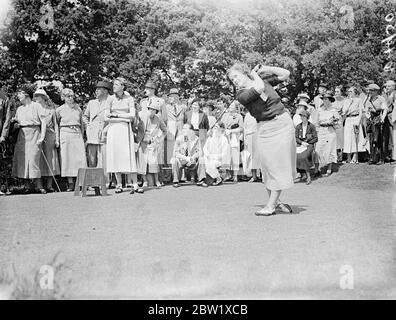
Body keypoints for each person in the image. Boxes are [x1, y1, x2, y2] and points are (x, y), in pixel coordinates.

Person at [228, 63, 296, 216]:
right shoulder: (241, 95)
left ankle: (270, 206)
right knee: (266, 167)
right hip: (264, 128)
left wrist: (265, 68)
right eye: (232, 80)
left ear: (244, 73)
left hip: (282, 124)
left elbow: (285, 73)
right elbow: (258, 89)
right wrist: (255, 73)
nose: (235, 81)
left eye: (236, 76)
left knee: (277, 164)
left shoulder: (263, 79)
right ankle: (277, 202)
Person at [104, 77, 139, 194]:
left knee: (128, 155)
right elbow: (105, 117)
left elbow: (132, 115)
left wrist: (117, 116)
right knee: (115, 155)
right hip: (113, 129)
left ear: (122, 86)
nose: (114, 86)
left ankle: (134, 184)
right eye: (113, 84)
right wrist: (122, 116)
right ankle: (118, 184)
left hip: (125, 129)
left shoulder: (129, 98)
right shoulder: (110, 99)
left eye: (117, 84)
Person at [11, 85, 47, 193]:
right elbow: (16, 122)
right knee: (22, 160)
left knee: (33, 159)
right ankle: (27, 187)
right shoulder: (19, 109)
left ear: (26, 95)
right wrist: (15, 124)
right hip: (22, 135)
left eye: (20, 94)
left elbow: (43, 122)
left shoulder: (36, 106)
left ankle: (39, 186)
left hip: (34, 133)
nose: (18, 96)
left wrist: (42, 136)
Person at [56, 88, 87, 191]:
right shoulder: (59, 110)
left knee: (80, 158)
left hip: (77, 133)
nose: (71, 98)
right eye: (68, 96)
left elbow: (82, 124)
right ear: (63, 97)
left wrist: (81, 135)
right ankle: (70, 183)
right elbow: (56, 124)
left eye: (72, 96)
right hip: (65, 133)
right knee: (67, 158)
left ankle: (81, 182)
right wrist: (57, 139)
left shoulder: (78, 109)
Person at [140, 80, 167, 183]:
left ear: (153, 90)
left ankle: (159, 180)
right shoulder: (143, 102)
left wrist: (160, 134)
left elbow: (164, 117)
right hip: (145, 133)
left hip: (157, 130)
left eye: (147, 88)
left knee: (158, 158)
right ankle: (146, 180)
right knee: (145, 158)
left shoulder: (161, 101)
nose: (145, 90)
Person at [33, 88, 60, 192]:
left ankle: (49, 185)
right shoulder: (35, 109)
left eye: (38, 96)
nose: (36, 98)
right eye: (35, 96)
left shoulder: (51, 110)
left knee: (50, 159)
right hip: (38, 135)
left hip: (50, 135)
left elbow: (56, 125)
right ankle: (39, 186)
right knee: (38, 159)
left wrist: (57, 139)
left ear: (44, 97)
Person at [136, 98, 167, 189]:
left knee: (154, 162)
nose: (151, 111)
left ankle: (157, 181)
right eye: (149, 109)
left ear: (156, 111)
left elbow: (165, 131)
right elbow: (135, 127)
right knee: (142, 162)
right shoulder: (141, 116)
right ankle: (144, 181)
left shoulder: (158, 119)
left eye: (153, 110)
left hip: (153, 143)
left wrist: (159, 139)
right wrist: (140, 137)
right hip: (143, 142)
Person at [83, 81, 113, 172]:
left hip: (105, 133)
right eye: (96, 89)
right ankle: (93, 182)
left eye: (98, 89)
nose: (96, 91)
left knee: (105, 158)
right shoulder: (91, 103)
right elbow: (85, 116)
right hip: (92, 134)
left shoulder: (111, 102)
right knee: (92, 159)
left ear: (105, 91)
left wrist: (107, 128)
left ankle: (106, 182)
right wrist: (88, 126)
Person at [171, 123, 207, 187]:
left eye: (185, 128)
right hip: (182, 160)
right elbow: (175, 153)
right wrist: (185, 158)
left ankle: (201, 180)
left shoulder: (196, 139)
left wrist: (193, 157)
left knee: (201, 158)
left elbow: (200, 152)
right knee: (174, 160)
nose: (183, 130)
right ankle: (176, 181)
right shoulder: (179, 139)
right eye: (183, 128)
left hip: (192, 160)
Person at [362, 83, 388, 165]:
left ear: (376, 91)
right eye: (369, 90)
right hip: (371, 119)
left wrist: (382, 119)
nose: (370, 92)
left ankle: (381, 158)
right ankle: (372, 158)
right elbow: (366, 110)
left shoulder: (381, 98)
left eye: (371, 90)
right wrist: (368, 116)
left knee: (379, 139)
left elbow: (385, 109)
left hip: (379, 118)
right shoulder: (368, 99)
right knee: (372, 139)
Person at [316, 93, 340, 176]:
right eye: (323, 99)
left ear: (330, 100)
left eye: (326, 99)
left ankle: (329, 169)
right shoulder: (320, 110)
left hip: (330, 131)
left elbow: (338, 123)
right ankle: (318, 169)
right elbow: (317, 122)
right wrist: (317, 131)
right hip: (322, 131)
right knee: (318, 149)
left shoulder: (334, 110)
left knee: (329, 149)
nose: (324, 101)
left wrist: (332, 122)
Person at [342, 86, 368, 163]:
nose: (349, 93)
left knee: (355, 138)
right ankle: (348, 157)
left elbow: (361, 111)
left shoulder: (359, 100)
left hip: (355, 119)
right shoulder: (346, 101)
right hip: (348, 119)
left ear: (355, 92)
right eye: (348, 91)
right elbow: (344, 111)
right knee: (347, 138)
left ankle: (355, 156)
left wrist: (358, 121)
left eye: (351, 91)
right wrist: (349, 103)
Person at [221, 101, 243, 182]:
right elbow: (221, 125)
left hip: (234, 137)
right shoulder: (225, 115)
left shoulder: (239, 116)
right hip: (225, 137)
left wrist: (232, 131)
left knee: (235, 156)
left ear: (236, 107)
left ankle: (235, 175)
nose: (230, 106)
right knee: (226, 156)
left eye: (232, 105)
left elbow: (241, 128)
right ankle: (227, 175)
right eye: (229, 105)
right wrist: (224, 130)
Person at [203, 122, 230, 186]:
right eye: (214, 127)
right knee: (203, 163)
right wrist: (207, 155)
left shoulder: (224, 139)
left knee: (211, 164)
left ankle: (218, 178)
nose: (215, 129)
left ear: (221, 129)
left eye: (217, 127)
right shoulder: (210, 138)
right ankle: (207, 179)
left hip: (219, 159)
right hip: (208, 157)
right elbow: (205, 148)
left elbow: (224, 154)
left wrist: (213, 157)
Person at [295, 110, 318, 185]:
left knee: (304, 157)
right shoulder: (298, 126)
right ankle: (301, 174)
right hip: (300, 144)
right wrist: (301, 142)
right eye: (301, 116)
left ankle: (308, 176)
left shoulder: (311, 126)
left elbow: (315, 138)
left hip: (309, 144)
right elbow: (296, 138)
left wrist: (307, 143)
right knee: (295, 156)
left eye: (303, 116)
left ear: (307, 117)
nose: (302, 117)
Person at [165, 88, 186, 165]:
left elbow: (186, 119)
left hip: (181, 130)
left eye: (173, 96)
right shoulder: (166, 107)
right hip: (170, 130)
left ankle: (181, 167)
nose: (171, 98)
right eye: (170, 96)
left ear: (177, 97)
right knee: (170, 149)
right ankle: (170, 168)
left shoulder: (183, 107)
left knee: (181, 148)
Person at [243, 110, 260, 182]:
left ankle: (263, 175)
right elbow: (244, 127)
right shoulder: (247, 115)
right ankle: (254, 176)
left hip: (258, 135)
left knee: (259, 156)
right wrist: (245, 138)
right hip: (249, 136)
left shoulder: (259, 113)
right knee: (251, 157)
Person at [383, 80, 396, 162]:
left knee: (394, 137)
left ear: (393, 87)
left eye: (388, 86)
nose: (386, 87)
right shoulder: (388, 94)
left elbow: (387, 104)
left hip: (392, 117)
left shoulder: (394, 95)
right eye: (386, 86)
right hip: (387, 118)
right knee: (387, 138)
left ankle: (394, 157)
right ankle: (388, 155)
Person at [333, 86, 345, 162]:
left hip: (340, 120)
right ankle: (334, 155)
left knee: (340, 138)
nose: (336, 93)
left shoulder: (344, 100)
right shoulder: (332, 100)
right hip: (333, 120)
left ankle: (341, 155)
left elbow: (344, 112)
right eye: (335, 91)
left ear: (341, 92)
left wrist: (342, 120)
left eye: (338, 91)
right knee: (333, 137)